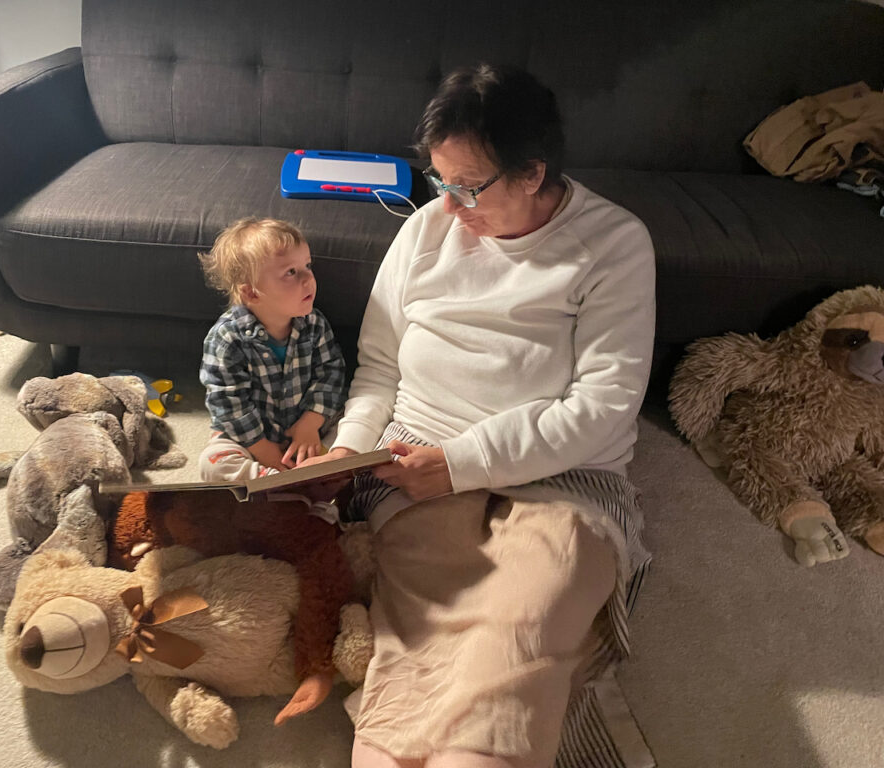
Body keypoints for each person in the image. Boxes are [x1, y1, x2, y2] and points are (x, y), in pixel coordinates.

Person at [301, 64, 656, 768]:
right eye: (439, 180)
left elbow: (603, 405)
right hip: (414, 460)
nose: (449, 204)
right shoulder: (427, 229)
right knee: (420, 634)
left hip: (564, 477)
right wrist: (347, 451)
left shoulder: (614, 243)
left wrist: (466, 464)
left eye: (468, 186)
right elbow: (380, 366)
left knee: (526, 618)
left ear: (532, 173)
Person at [198, 217, 346, 481]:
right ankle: (277, 482)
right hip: (250, 439)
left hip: (308, 429)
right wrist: (263, 450)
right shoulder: (226, 339)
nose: (309, 278)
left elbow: (331, 374)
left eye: (307, 265)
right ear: (252, 294)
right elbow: (228, 404)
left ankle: (304, 480)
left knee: (353, 435)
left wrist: (310, 423)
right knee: (213, 464)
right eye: (291, 272)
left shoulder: (314, 324)